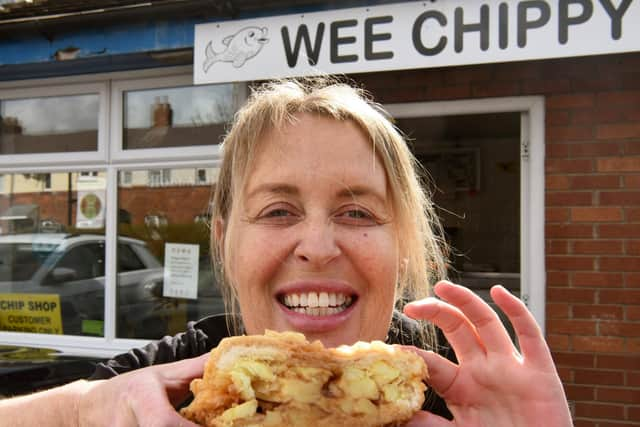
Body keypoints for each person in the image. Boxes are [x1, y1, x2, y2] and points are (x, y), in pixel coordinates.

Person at [0, 78, 572, 427]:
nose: (318, 248)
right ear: (223, 241)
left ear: (401, 244)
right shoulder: (169, 383)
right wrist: (80, 411)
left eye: (357, 213)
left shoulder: (463, 396)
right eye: (278, 211)